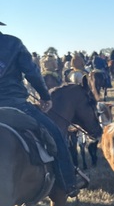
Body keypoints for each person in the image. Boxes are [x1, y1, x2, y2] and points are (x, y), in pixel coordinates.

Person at [0, 24, 87, 196]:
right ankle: (69, 182)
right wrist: (45, 96)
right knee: (55, 133)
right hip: (15, 104)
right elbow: (32, 73)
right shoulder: (13, 43)